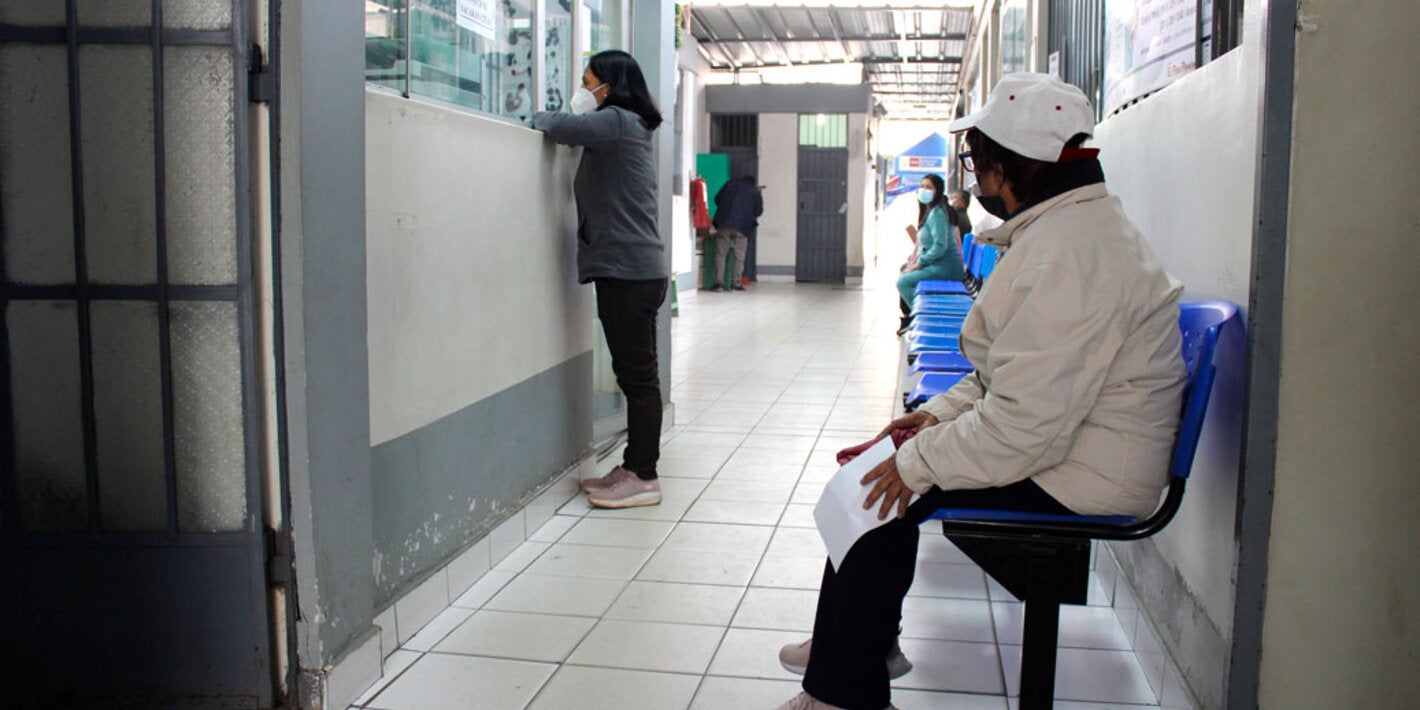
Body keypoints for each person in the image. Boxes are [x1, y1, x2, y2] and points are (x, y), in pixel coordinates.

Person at [774, 72, 1187, 710]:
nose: (971, 176)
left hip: (1086, 472)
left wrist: (916, 461)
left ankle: (842, 685)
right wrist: (931, 419)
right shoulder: (1067, 232)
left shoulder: (1069, 255)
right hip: (1073, 443)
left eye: (976, 161)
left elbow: (1025, 423)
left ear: (1006, 167)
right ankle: (855, 645)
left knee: (883, 486)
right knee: (882, 473)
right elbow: (1005, 373)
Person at [530, 50, 667, 509]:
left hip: (628, 272)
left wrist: (542, 112)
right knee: (636, 376)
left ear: (609, 85)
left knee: (638, 379)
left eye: (588, 81)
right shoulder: (627, 126)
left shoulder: (618, 121)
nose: (584, 90)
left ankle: (644, 477)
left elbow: (556, 125)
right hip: (633, 270)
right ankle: (634, 466)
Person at [894, 174, 965, 334]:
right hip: (937, 264)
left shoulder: (938, 214)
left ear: (938, 191)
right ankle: (921, 316)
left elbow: (940, 247)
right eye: (922, 186)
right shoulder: (933, 211)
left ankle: (922, 319)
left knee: (904, 282)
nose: (924, 190)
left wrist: (920, 263)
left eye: (929, 187)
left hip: (945, 267)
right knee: (906, 275)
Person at [710, 175, 763, 291]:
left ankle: (719, 283)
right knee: (739, 256)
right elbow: (758, 211)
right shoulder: (754, 190)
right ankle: (736, 283)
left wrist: (727, 207)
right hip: (742, 227)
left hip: (724, 223)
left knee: (721, 254)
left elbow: (717, 199)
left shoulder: (729, 184)